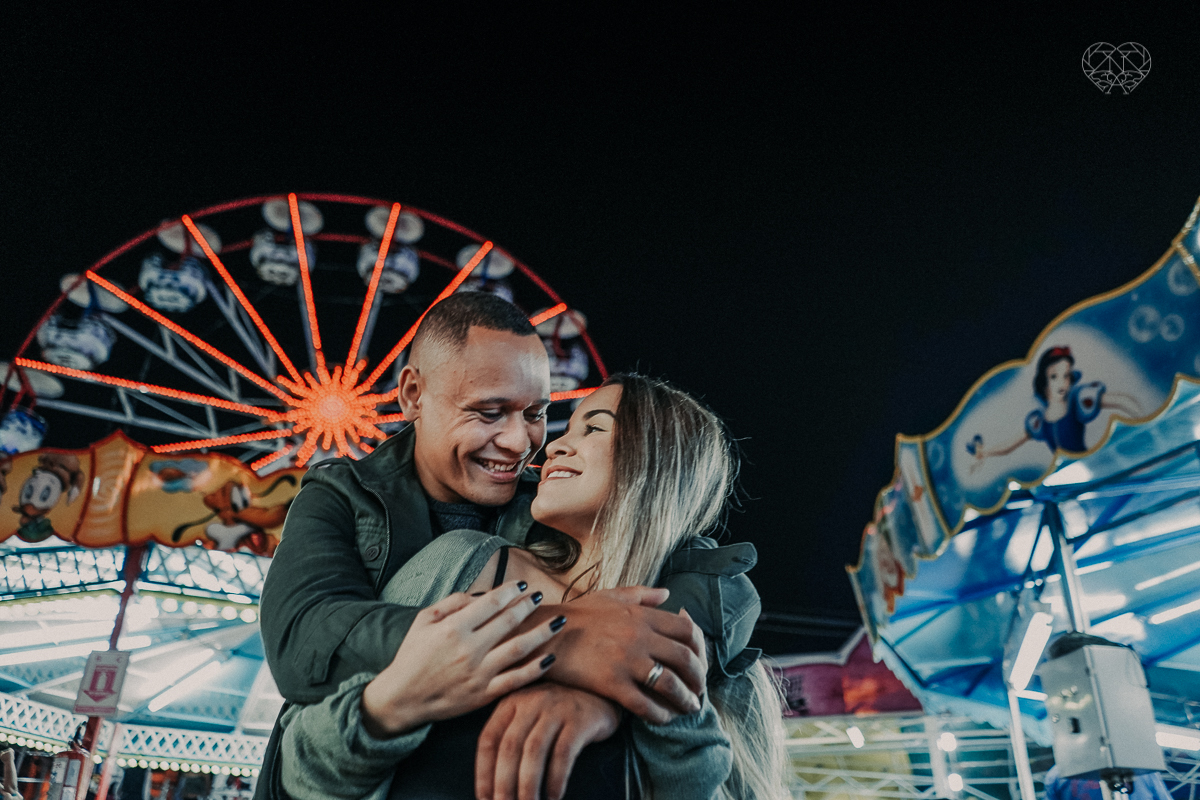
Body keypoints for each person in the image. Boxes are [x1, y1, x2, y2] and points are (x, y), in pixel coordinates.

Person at [256, 293, 763, 800]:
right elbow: (305, 645)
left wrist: (623, 683)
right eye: (490, 412)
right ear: (412, 394)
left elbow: (710, 573)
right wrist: (560, 641)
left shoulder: (546, 502)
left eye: (538, 413)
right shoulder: (346, 500)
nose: (523, 444)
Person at [968, 345, 1143, 468]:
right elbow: (1010, 445)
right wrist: (986, 452)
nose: (1062, 382)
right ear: (1044, 383)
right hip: (1072, 473)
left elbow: (1121, 401)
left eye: (1066, 376)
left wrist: (1144, 418)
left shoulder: (1078, 400)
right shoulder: (1038, 422)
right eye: (1054, 377)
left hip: (1095, 463)